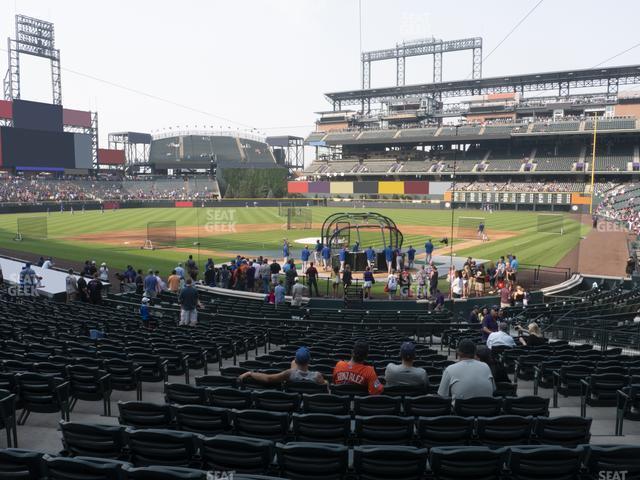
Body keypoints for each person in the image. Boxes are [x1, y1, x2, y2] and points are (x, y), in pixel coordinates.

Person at [239, 347, 325, 385]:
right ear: (309, 360)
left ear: (296, 360)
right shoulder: (317, 376)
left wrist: (250, 373)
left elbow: (268, 379)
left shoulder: (289, 374)